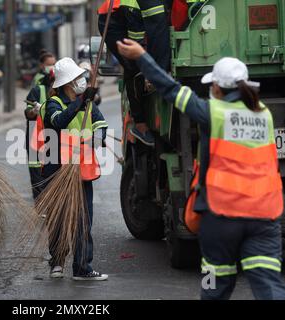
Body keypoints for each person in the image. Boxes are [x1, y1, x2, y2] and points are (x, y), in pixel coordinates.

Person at [117, 38, 285, 300]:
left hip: (222, 217)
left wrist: (142, 57)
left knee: (214, 287)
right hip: (265, 216)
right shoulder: (264, 114)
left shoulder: (212, 112)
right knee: (269, 286)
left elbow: (170, 89)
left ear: (217, 87)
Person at [38, 58, 108, 280]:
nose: (83, 81)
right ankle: (57, 261)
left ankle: (82, 268)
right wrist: (80, 103)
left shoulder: (87, 102)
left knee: (83, 220)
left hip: (81, 171)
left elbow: (100, 123)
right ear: (68, 82)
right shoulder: (53, 103)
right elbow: (58, 122)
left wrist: (98, 138)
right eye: (79, 78)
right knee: (58, 219)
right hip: (57, 171)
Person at [98, 0, 170, 146]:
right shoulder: (134, 8)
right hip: (112, 22)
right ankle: (140, 125)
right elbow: (136, 41)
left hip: (130, 17)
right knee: (134, 66)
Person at [25, 53, 56, 199]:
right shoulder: (38, 90)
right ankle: (40, 204)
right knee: (37, 174)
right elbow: (27, 113)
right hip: (35, 138)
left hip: (52, 139)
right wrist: (34, 111)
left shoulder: (63, 93)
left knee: (51, 174)